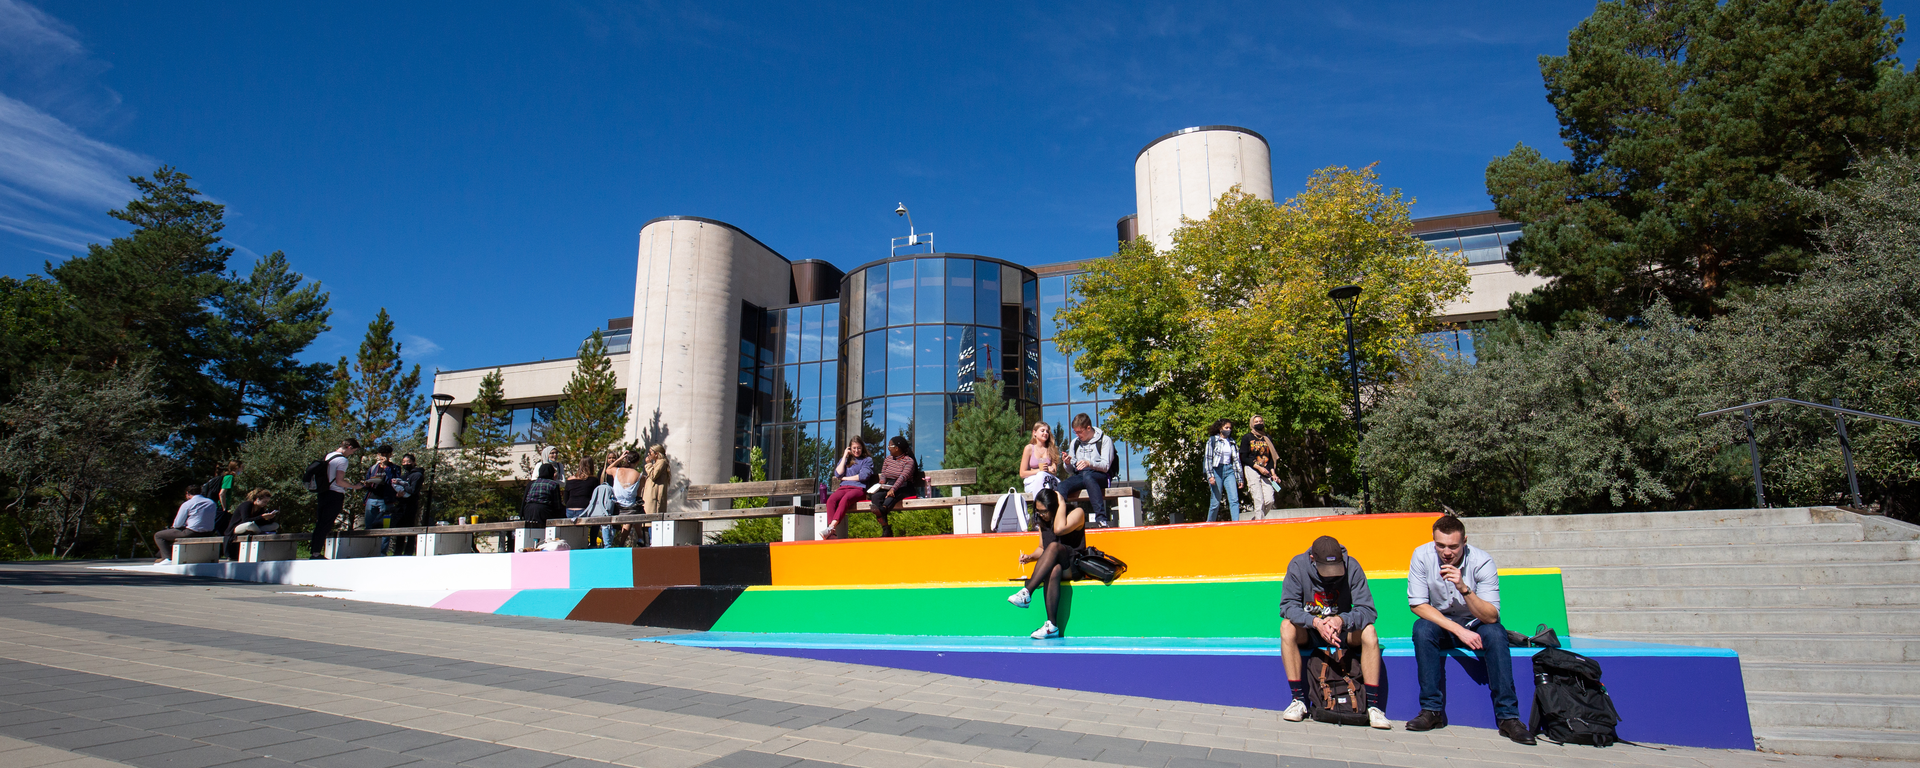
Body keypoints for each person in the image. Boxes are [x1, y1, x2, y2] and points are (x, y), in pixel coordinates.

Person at [1406, 515, 1534, 745]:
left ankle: (1508, 717)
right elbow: (1417, 605)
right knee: (1421, 629)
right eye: (1440, 545)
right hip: (1443, 624)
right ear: (1433, 541)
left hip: (1476, 624)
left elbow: (1491, 616)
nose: (1446, 552)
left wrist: (1464, 588)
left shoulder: (1482, 561)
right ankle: (1431, 711)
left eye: (1453, 546)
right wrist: (1458, 630)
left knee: (1496, 633)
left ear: (1464, 541)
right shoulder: (1422, 556)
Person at [1279, 536, 1388, 729]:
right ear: (1313, 558)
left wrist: (1341, 620)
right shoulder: (1298, 565)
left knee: (1369, 631)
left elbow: (1368, 610)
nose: (1330, 576)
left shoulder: (1352, 566)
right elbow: (1287, 606)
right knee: (1287, 627)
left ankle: (1373, 707)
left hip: (1344, 632)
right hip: (1311, 630)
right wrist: (1315, 622)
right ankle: (1298, 700)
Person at [1005, 488, 1083, 639]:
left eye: (1044, 511)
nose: (1041, 515)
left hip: (1074, 565)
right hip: (1060, 568)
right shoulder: (1043, 522)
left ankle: (1027, 592)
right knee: (1054, 569)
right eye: (1038, 511)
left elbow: (1059, 530)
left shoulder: (1076, 513)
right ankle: (1051, 625)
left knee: (1054, 546)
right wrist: (1030, 557)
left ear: (1054, 506)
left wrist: (1061, 503)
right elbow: (1042, 548)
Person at [1057, 414, 1115, 527]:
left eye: (1080, 432)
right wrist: (1067, 463)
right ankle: (1060, 518)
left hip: (1100, 475)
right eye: (1075, 432)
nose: (1078, 435)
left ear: (1088, 428)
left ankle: (1101, 519)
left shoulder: (1105, 440)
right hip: (1081, 475)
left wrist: (1089, 463)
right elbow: (1070, 470)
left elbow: (1106, 466)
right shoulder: (1075, 442)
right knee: (1061, 486)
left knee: (1089, 478)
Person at [311, 438, 362, 560]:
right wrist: (354, 486)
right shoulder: (342, 460)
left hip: (323, 492)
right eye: (353, 451)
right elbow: (339, 481)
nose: (352, 454)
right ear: (349, 447)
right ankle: (316, 553)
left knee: (320, 522)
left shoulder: (328, 456)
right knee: (326, 523)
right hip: (334, 494)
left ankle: (315, 551)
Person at [866, 436, 919, 538]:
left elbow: (903, 477)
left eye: (890, 446)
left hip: (904, 486)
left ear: (897, 448)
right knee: (876, 497)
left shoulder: (909, 461)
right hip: (888, 485)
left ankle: (882, 512)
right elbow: (884, 475)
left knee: (890, 497)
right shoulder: (888, 459)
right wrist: (880, 485)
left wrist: (893, 489)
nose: (888, 448)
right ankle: (886, 527)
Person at [822, 437, 875, 539]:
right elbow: (838, 473)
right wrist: (845, 456)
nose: (856, 450)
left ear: (862, 448)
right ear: (850, 448)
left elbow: (863, 476)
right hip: (843, 487)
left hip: (858, 489)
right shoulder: (846, 460)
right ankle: (832, 533)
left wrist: (845, 478)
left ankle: (831, 527)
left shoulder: (867, 460)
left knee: (845, 499)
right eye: (854, 448)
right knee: (831, 500)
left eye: (859, 448)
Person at [153, 485, 219, 565]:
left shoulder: (188, 504)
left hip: (192, 532)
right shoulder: (211, 503)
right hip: (209, 532)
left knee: (159, 535)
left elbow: (177, 524)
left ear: (187, 494)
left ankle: (167, 558)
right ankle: (161, 555)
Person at [221, 489, 281, 558]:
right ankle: (260, 533)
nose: (265, 504)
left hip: (255, 527)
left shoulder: (260, 509)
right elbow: (245, 520)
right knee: (250, 525)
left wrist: (269, 518)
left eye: (267, 502)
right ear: (257, 499)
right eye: (264, 502)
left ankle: (260, 532)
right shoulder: (247, 505)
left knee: (275, 525)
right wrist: (261, 517)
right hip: (238, 527)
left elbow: (261, 522)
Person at [1240, 416, 1280, 520]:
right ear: (1252, 424)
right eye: (1256, 421)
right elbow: (1243, 457)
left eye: (1260, 421)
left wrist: (1273, 473)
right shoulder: (1247, 437)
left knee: (1269, 500)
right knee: (1258, 499)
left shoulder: (1267, 437)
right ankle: (1259, 523)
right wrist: (1258, 467)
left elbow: (1271, 457)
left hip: (1266, 471)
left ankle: (1256, 519)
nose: (1259, 423)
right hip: (1252, 469)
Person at [362, 445, 399, 555]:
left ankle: (382, 553)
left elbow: (394, 480)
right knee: (368, 526)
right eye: (381, 455)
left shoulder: (394, 468)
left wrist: (386, 466)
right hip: (371, 500)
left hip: (387, 502)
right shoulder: (373, 468)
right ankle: (368, 552)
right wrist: (367, 484)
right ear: (378, 455)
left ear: (390, 455)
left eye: (386, 455)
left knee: (385, 528)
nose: (383, 457)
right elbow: (366, 483)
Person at [1204, 419, 1242, 522]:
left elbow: (1236, 461)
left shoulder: (1232, 442)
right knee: (1215, 501)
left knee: (1234, 499)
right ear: (1220, 428)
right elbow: (1208, 459)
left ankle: (1236, 523)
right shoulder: (1213, 440)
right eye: (1226, 428)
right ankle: (1209, 524)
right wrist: (1210, 475)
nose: (1228, 430)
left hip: (1229, 470)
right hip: (1217, 470)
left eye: (1230, 428)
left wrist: (1239, 478)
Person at [609, 449, 643, 547]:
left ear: (625, 460)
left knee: (632, 513)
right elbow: (639, 494)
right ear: (637, 462)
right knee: (635, 511)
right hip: (630, 507)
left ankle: (623, 542)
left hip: (617, 505)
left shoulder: (617, 470)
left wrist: (619, 459)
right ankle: (639, 537)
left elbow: (608, 469)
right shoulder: (639, 475)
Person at [394, 454, 426, 554]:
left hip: (411, 505)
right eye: (403, 462)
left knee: (410, 528)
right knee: (400, 530)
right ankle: (398, 552)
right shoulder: (404, 476)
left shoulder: (417, 475)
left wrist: (402, 485)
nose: (405, 464)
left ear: (413, 462)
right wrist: (398, 494)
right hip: (401, 506)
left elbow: (413, 490)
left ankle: (409, 552)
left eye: (408, 462)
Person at [564, 456, 599, 542]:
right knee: (597, 521)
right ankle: (593, 543)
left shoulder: (570, 479)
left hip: (569, 509)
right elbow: (595, 498)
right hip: (583, 508)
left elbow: (565, 498)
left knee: (573, 533)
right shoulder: (593, 480)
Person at [522, 462, 567, 529]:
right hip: (543, 510)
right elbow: (557, 505)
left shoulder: (533, 483)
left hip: (528, 510)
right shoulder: (553, 484)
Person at [642, 444, 670, 544]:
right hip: (651, 496)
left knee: (651, 521)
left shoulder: (661, 462)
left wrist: (648, 464)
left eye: (650, 453)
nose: (649, 455)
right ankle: (647, 542)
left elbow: (654, 475)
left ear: (656, 454)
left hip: (655, 498)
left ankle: (652, 542)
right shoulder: (657, 463)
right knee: (647, 521)